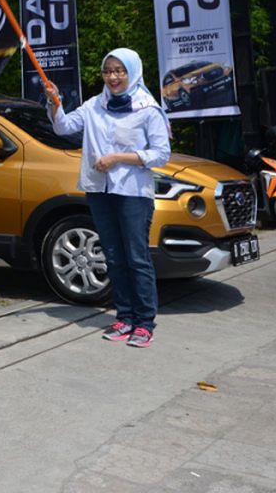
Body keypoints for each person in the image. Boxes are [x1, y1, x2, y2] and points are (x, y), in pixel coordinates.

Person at [45, 48, 171, 348]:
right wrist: (55, 103)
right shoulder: (94, 105)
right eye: (108, 71)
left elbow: (161, 155)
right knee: (113, 256)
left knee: (136, 257)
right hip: (99, 190)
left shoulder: (147, 109)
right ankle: (124, 316)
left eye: (119, 71)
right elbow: (63, 127)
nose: (113, 77)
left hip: (132, 193)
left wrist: (118, 158)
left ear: (132, 71)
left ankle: (144, 322)